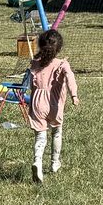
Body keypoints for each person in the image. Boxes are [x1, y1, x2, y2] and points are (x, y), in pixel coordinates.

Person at [23, 28, 78, 183]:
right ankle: (54, 162)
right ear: (58, 48)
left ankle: (37, 161)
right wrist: (74, 95)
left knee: (40, 136)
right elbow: (70, 79)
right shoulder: (62, 64)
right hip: (54, 103)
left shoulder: (34, 63)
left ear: (41, 46)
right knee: (56, 132)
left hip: (37, 103)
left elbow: (29, 84)